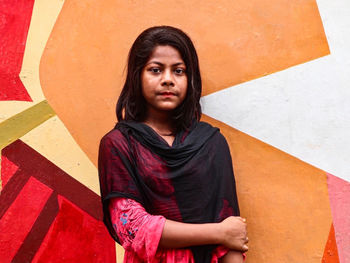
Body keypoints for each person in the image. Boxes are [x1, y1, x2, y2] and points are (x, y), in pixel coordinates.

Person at [98, 26, 248, 263]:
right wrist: (218, 232)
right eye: (155, 70)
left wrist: (226, 234)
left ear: (190, 79)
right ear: (138, 75)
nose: (168, 79)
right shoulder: (119, 145)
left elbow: (232, 237)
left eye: (178, 71)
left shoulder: (211, 143)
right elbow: (131, 226)